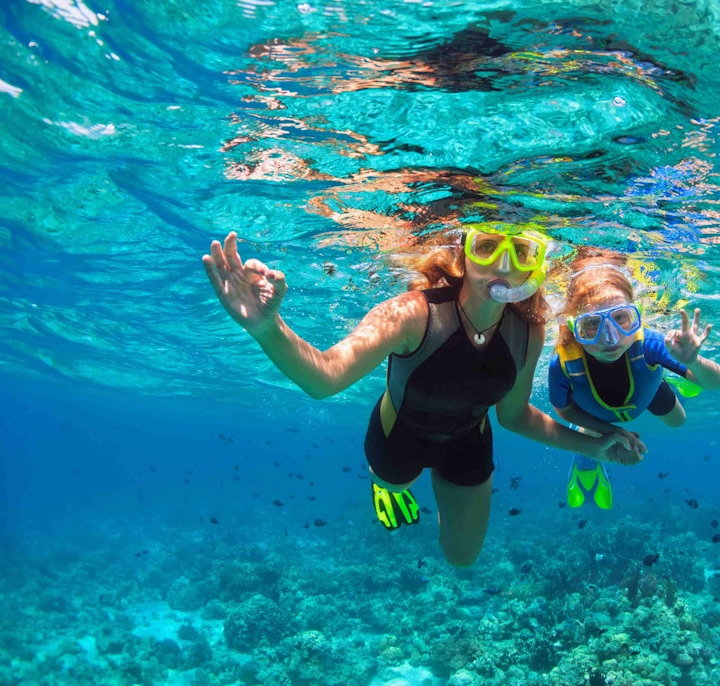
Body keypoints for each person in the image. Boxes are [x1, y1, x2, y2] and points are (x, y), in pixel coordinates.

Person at [202, 227, 643, 567]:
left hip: (469, 441)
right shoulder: (413, 312)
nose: (503, 266)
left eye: (521, 252)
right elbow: (325, 378)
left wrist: (595, 444)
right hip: (399, 436)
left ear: (534, 266)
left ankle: (428, 500)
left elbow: (513, 417)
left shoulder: (529, 330)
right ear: (464, 253)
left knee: (462, 558)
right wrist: (266, 328)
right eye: (488, 247)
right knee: (394, 485)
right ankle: (386, 485)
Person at [548, 253, 720, 509]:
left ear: (637, 315)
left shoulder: (650, 344)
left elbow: (715, 383)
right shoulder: (564, 363)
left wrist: (693, 361)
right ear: (575, 327)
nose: (610, 339)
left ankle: (677, 374)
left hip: (647, 389)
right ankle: (586, 459)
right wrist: (611, 432)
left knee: (678, 421)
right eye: (592, 325)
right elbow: (563, 410)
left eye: (621, 318)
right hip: (594, 413)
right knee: (594, 435)